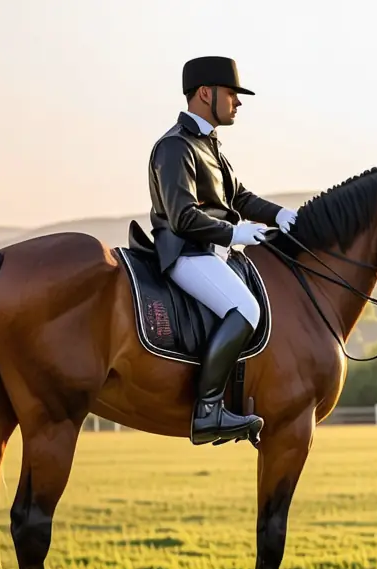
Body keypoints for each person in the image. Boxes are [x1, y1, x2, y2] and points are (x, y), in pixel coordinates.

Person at [147, 56, 298, 445]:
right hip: (187, 253)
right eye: (231, 94)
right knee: (246, 308)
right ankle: (208, 408)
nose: (238, 102)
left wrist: (279, 214)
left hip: (214, 253)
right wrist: (235, 233)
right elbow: (182, 217)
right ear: (204, 93)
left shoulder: (208, 144)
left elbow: (240, 196)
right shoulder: (174, 147)